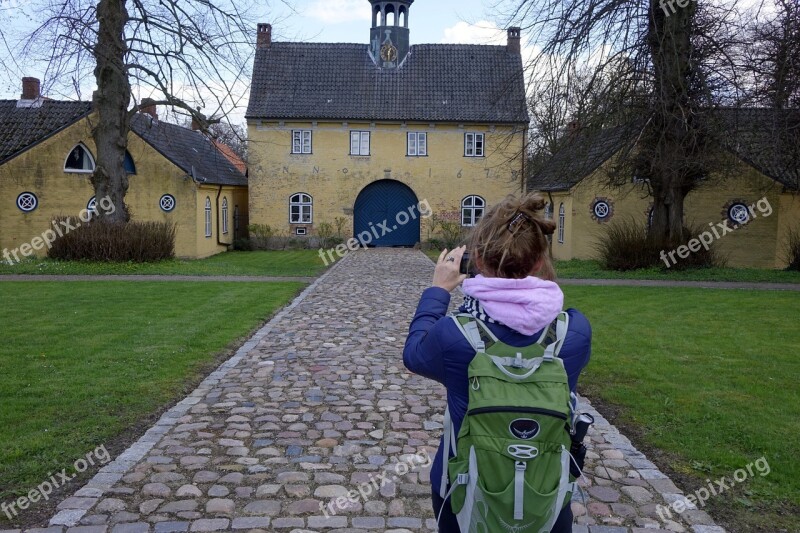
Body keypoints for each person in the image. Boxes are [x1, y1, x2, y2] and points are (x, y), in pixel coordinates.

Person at [403, 192, 592, 532]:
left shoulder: (453, 336)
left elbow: (414, 353)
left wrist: (439, 290)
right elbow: (538, 313)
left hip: (462, 490)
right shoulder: (573, 332)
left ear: (476, 257)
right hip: (546, 492)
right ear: (538, 262)